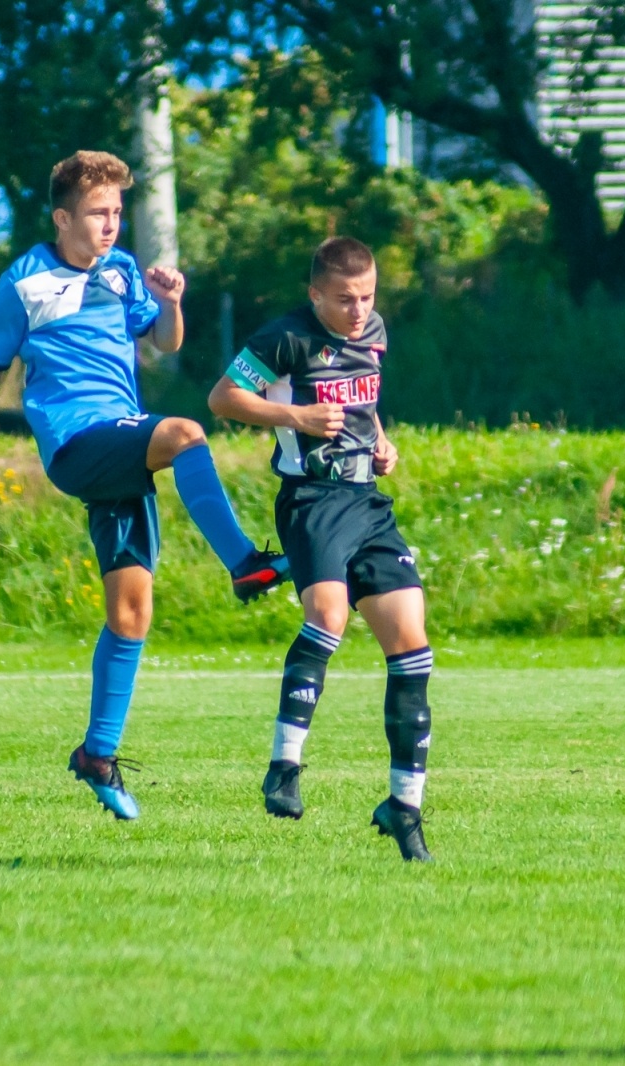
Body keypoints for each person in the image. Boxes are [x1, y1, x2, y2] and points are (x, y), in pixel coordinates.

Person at [0, 150, 287, 822]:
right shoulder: (23, 282)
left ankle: (97, 753)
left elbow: (167, 345)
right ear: (63, 217)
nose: (111, 224)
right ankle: (244, 565)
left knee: (131, 613)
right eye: (98, 213)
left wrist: (173, 302)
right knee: (183, 434)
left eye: (118, 212)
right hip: (78, 442)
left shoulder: (122, 273)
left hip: (119, 441)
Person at [207, 236, 434, 863]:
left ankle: (404, 808)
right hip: (311, 500)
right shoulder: (285, 338)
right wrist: (298, 419)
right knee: (329, 617)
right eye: (344, 299)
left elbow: (364, 402)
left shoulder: (376, 330)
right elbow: (222, 399)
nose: (358, 310)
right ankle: (284, 767)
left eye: (366, 297)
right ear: (315, 294)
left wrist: (382, 444)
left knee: (412, 647)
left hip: (367, 503)